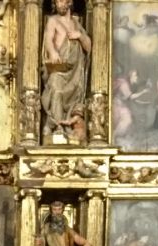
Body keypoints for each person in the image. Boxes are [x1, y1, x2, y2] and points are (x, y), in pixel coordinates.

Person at [40, 0, 91, 142]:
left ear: (69, 2)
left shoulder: (76, 24)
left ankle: (68, 127)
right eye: (56, 2)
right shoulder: (53, 21)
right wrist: (53, 53)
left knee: (74, 98)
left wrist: (79, 36)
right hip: (59, 69)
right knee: (56, 90)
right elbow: (48, 39)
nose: (59, 4)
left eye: (61, 0)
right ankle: (57, 126)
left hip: (75, 73)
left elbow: (88, 46)